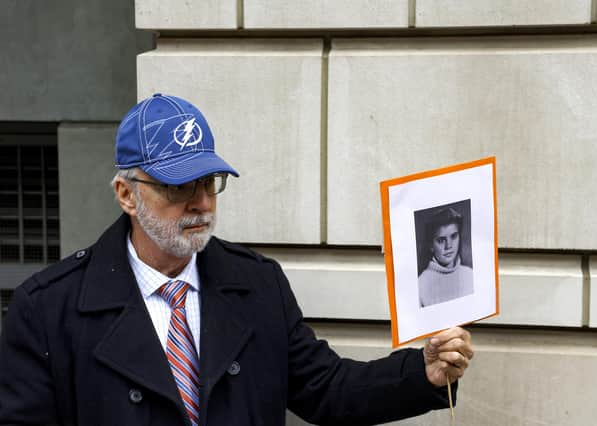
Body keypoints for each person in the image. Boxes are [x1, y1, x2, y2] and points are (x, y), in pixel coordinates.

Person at [0, 94, 474, 425]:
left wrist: (423, 374)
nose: (202, 203)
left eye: (209, 182)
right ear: (127, 194)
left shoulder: (257, 284)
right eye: (178, 186)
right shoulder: (48, 309)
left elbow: (327, 389)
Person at [418, 207, 474, 307]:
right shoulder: (421, 284)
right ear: (431, 246)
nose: (449, 246)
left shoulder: (469, 275)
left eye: (454, 236)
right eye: (441, 240)